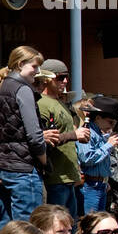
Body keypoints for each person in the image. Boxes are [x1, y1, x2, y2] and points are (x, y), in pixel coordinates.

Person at [0, 45, 52, 226]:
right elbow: (34, 135)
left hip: (4, 165)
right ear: (20, 64)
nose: (37, 71)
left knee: (6, 228)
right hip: (24, 168)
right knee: (27, 229)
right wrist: (44, 160)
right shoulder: (22, 89)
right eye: (34, 66)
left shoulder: (1, 87)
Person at [35, 58, 91, 215]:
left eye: (67, 77)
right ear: (47, 79)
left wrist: (78, 135)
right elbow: (42, 139)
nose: (65, 81)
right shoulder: (42, 104)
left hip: (68, 177)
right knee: (56, 226)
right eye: (60, 77)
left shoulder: (60, 103)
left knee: (69, 228)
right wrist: (74, 134)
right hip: (55, 178)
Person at [76, 95, 118, 215]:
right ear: (97, 118)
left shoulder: (99, 135)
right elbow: (86, 158)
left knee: (97, 222)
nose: (112, 126)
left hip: (99, 185)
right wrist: (108, 145)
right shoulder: (87, 133)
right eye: (110, 122)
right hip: (90, 186)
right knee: (91, 222)